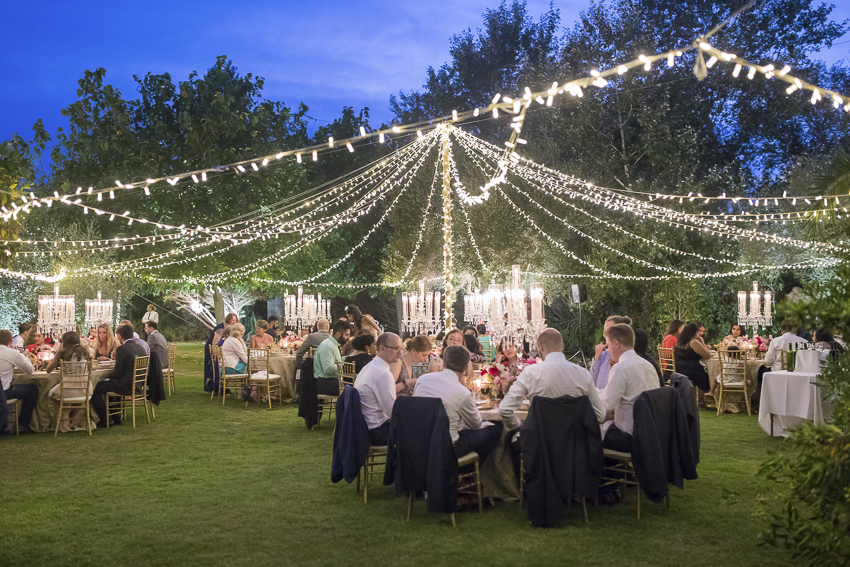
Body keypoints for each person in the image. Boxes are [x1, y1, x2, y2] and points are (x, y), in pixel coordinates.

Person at [500, 328, 606, 431]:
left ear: (540, 347)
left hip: (540, 445)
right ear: (563, 347)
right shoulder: (583, 374)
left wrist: (518, 427)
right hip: (575, 446)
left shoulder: (529, 373)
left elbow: (504, 410)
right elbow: (600, 415)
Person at [414, 345, 502, 461]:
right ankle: (470, 469)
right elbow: (475, 425)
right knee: (496, 429)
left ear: (444, 362)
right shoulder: (462, 393)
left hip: (419, 442)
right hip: (447, 447)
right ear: (466, 368)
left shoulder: (422, 380)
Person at [599, 324, 659, 452]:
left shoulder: (621, 368)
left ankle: (604, 471)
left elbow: (606, 405)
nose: (608, 350)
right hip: (650, 433)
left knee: (586, 431)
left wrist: (590, 397)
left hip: (628, 436)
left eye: (608, 345)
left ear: (616, 343)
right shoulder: (648, 365)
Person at [91, 325, 147, 428]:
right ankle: (116, 417)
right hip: (138, 384)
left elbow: (117, 373)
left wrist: (106, 377)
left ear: (119, 336)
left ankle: (105, 419)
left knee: (94, 389)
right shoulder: (141, 348)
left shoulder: (122, 348)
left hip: (125, 385)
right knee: (108, 385)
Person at [354, 333, 404, 446]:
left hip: (365, 427)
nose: (400, 353)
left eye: (401, 349)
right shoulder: (383, 374)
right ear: (382, 348)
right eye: (396, 348)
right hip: (377, 431)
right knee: (421, 431)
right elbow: (392, 411)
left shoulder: (369, 367)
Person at [0, 329, 38, 434]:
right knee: (32, 390)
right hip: (4, 391)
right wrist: (23, 356)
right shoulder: (12, 353)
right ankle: (22, 424)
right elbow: (29, 370)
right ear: (11, 341)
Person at [592, 315, 632, 390]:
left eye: (609, 330)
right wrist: (597, 358)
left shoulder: (626, 358)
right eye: (604, 331)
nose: (606, 334)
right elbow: (592, 381)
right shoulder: (603, 354)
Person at [314, 320, 351, 395]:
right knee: (352, 389)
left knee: (356, 386)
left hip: (330, 381)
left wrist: (348, 358)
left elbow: (336, 362)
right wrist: (345, 367)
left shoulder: (333, 344)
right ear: (338, 334)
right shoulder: (328, 346)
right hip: (324, 383)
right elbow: (328, 369)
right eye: (346, 335)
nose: (348, 338)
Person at [204, 312, 238, 392]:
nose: (234, 322)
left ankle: (222, 387)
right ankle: (216, 386)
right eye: (232, 320)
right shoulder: (220, 329)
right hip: (214, 350)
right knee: (215, 366)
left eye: (235, 320)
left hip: (223, 351)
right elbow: (214, 343)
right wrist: (215, 354)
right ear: (228, 320)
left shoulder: (231, 329)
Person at [673, 323, 711, 394]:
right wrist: (702, 341)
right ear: (696, 332)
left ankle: (701, 400)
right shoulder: (693, 342)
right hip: (689, 370)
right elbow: (707, 355)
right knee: (706, 374)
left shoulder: (680, 341)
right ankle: (701, 399)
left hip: (678, 368)